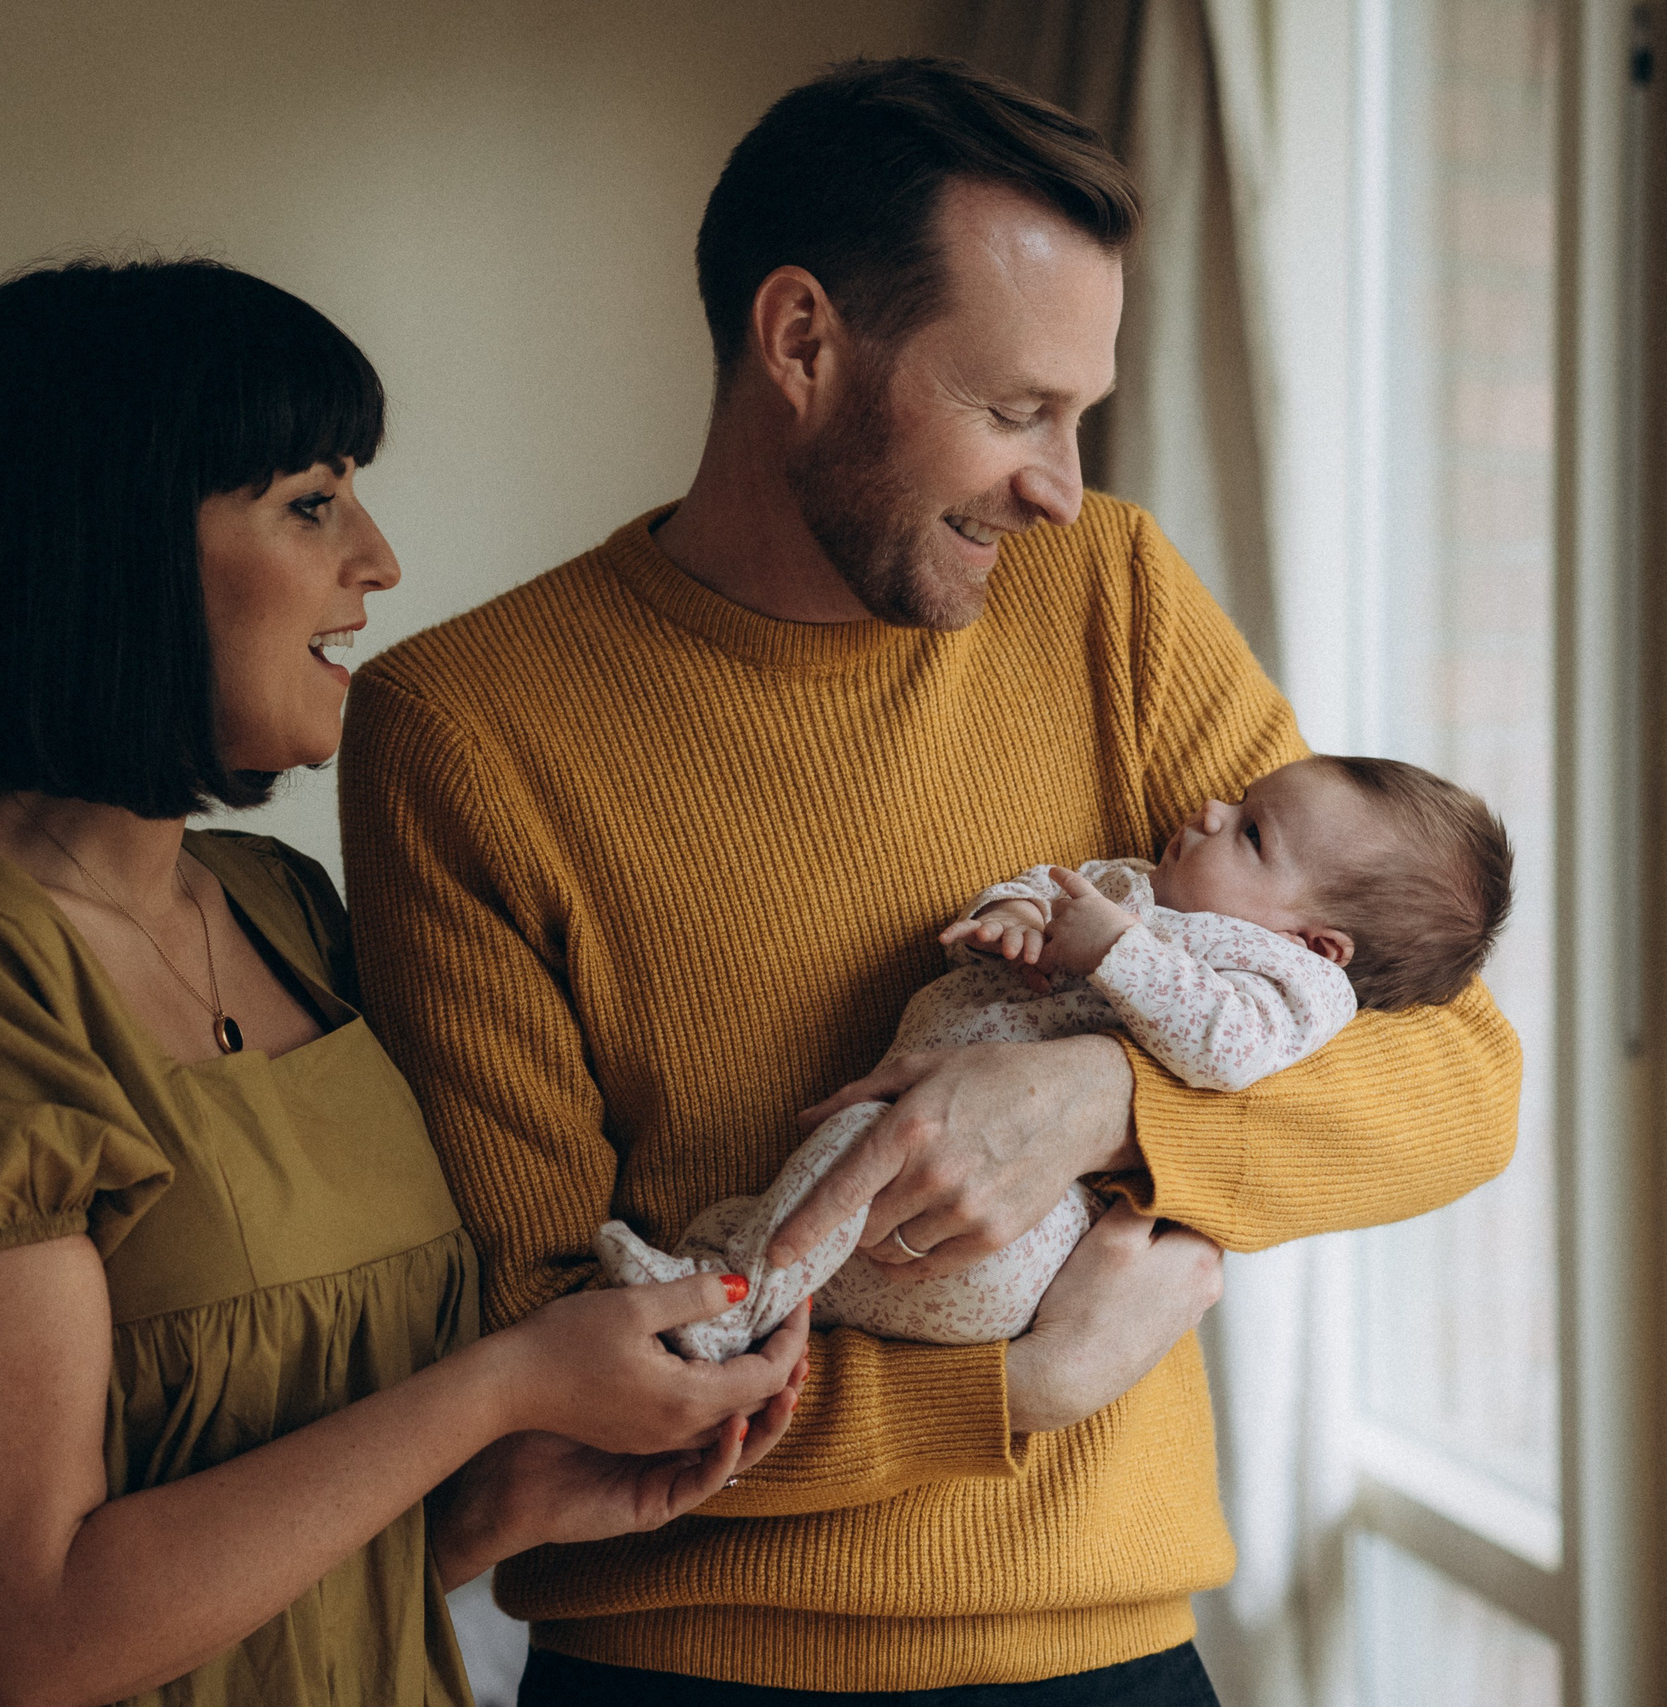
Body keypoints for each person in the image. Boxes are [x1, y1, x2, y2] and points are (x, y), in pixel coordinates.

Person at [338, 58, 1523, 1704]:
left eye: (1080, 414)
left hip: (1114, 1662)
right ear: (803, 342)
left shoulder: (1107, 592)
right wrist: (1013, 1393)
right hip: (681, 1671)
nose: (1064, 483)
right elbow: (541, 1349)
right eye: (1018, 407)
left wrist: (1096, 1101)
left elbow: (1455, 1076)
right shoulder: (465, 730)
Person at [0, 257, 809, 1707]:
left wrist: (495, 1501)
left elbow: (258, 1516)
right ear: (115, 548)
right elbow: (26, 1631)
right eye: (312, 501)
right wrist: (502, 1382)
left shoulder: (284, 913)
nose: (381, 559)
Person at [595, 754, 1516, 1362]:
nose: (1209, 805)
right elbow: (1050, 891)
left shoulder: (1288, 982)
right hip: (934, 1195)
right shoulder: (1145, 885)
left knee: (847, 1166)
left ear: (1321, 944)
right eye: (1240, 801)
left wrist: (1112, 966)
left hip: (1011, 1241)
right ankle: (730, 1295)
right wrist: (1016, 918)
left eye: (1251, 831)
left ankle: (728, 1310)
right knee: (761, 1211)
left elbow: (1229, 1046)